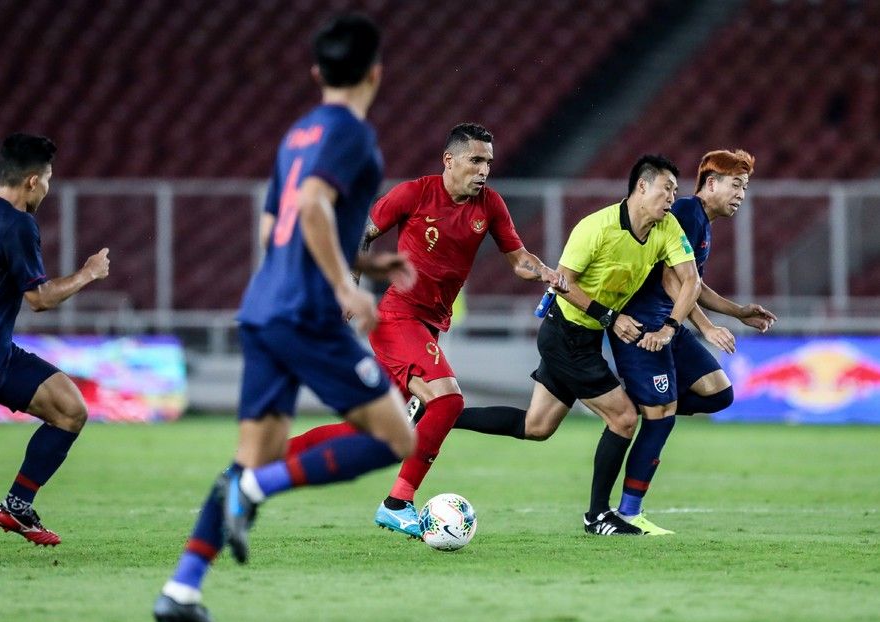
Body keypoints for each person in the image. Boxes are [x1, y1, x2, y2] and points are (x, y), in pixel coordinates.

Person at [153, 13, 418, 622]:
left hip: (264, 307)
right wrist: (341, 287)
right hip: (306, 312)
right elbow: (313, 207)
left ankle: (182, 589)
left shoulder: (297, 133)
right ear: (376, 73)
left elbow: (280, 223)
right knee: (395, 438)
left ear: (316, 72)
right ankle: (253, 493)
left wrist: (365, 261)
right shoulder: (352, 133)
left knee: (252, 455)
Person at [283, 122, 568, 539]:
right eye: (476, 160)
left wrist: (544, 271)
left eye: (488, 161)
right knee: (448, 401)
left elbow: (518, 257)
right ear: (449, 160)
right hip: (398, 319)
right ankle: (397, 503)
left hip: (429, 327)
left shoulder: (490, 206)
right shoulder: (415, 193)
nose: (484, 170)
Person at [451, 155, 702, 535]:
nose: (672, 198)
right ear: (641, 187)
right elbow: (562, 282)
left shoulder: (667, 228)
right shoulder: (597, 227)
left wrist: (669, 327)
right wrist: (611, 318)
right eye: (666, 188)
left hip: (585, 336)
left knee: (535, 426)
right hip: (565, 335)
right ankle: (598, 515)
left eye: (675, 191)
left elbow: (690, 281)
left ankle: (441, 415)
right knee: (623, 418)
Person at [0, 133, 110, 546]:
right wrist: (89, 273)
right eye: (47, 179)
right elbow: (39, 298)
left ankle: (17, 506)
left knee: (70, 410)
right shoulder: (18, 226)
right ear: (32, 181)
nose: (48, 188)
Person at [607, 149, 776, 534]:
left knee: (719, 393)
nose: (741, 195)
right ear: (711, 183)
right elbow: (673, 281)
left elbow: (693, 285)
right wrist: (707, 328)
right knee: (662, 418)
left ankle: (642, 399)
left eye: (745, 188)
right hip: (647, 326)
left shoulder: (702, 222)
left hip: (670, 323)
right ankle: (629, 512)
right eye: (736, 185)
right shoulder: (685, 211)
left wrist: (737, 312)